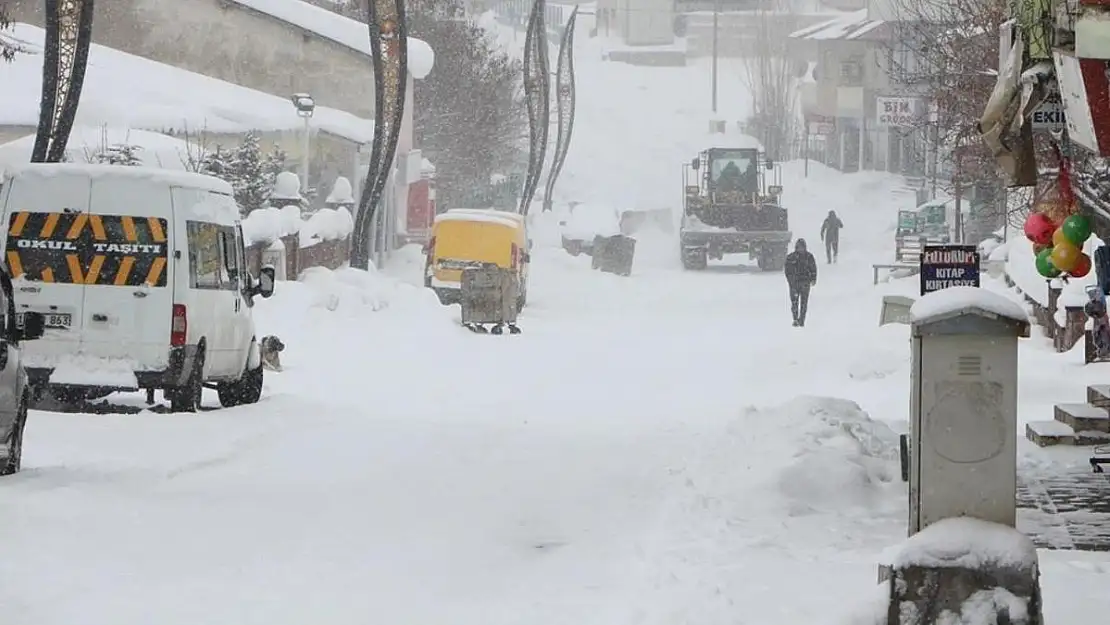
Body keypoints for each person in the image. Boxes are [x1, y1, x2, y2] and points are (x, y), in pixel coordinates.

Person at [784, 238, 818, 327]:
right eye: (799, 248)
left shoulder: (809, 257)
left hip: (805, 284)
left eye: (802, 247)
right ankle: (795, 319)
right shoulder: (791, 258)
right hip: (794, 284)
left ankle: (802, 319)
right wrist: (791, 281)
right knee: (794, 302)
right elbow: (787, 271)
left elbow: (813, 268)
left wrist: (813, 278)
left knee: (804, 303)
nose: (801, 249)